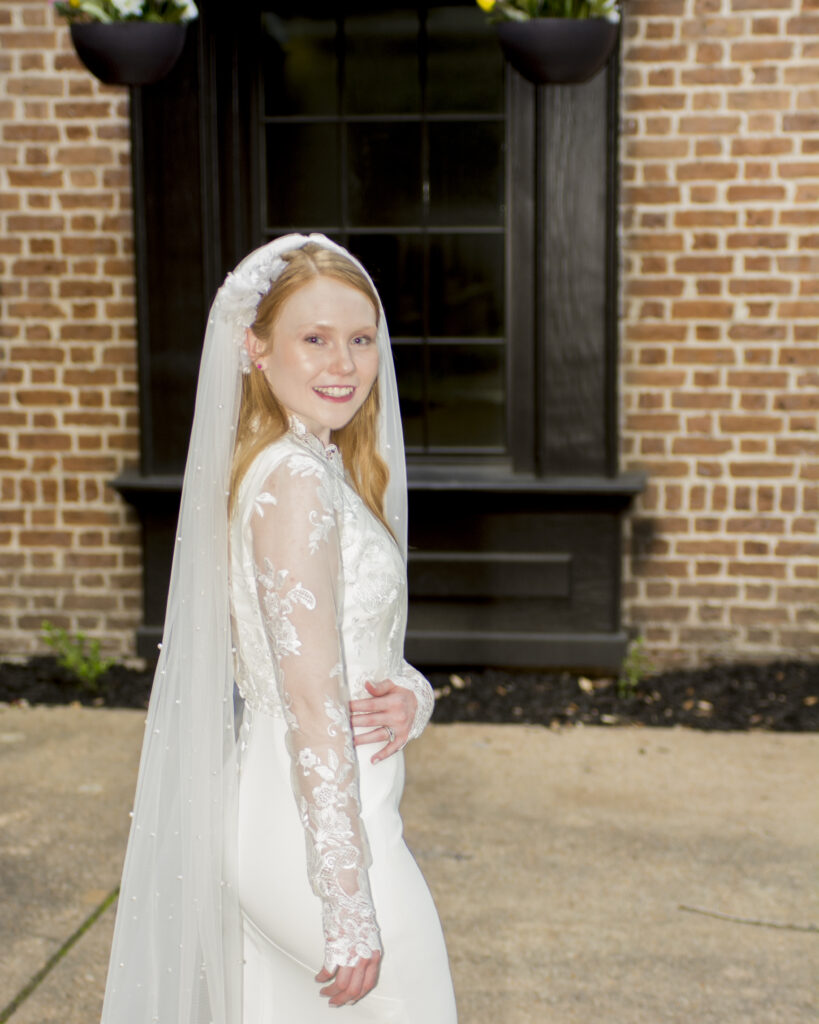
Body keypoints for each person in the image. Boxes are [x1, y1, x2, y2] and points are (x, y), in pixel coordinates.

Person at [100, 234, 457, 1024]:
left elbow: (345, 652)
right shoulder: (293, 479)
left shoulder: (312, 463)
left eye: (360, 338)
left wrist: (409, 694)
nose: (344, 363)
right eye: (315, 338)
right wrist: (347, 899)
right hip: (316, 837)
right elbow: (308, 703)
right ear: (256, 350)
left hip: (315, 812)